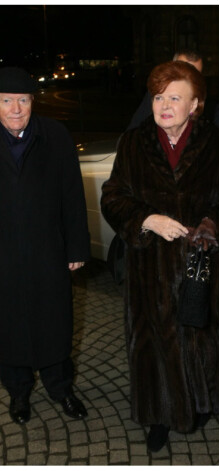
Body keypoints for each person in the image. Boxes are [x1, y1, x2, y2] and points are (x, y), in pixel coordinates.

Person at [101, 61, 219, 453]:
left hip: (197, 266)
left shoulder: (214, 144)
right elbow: (113, 197)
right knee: (153, 343)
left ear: (195, 104)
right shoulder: (134, 144)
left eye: (175, 97)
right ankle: (158, 418)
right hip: (148, 267)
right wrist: (147, 219)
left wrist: (209, 223)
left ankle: (200, 405)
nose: (164, 105)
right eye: (158, 97)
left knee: (198, 339)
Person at [0, 67, 90, 425]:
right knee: (8, 327)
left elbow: (72, 194)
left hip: (48, 250)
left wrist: (77, 248)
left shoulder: (55, 135)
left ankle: (61, 388)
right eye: (6, 101)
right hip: (3, 256)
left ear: (33, 102)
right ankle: (18, 394)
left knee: (55, 323)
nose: (16, 108)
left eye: (23, 100)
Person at [126, 49, 218, 130]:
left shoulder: (212, 109)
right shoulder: (154, 96)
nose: (187, 79)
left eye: (195, 76)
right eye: (181, 72)